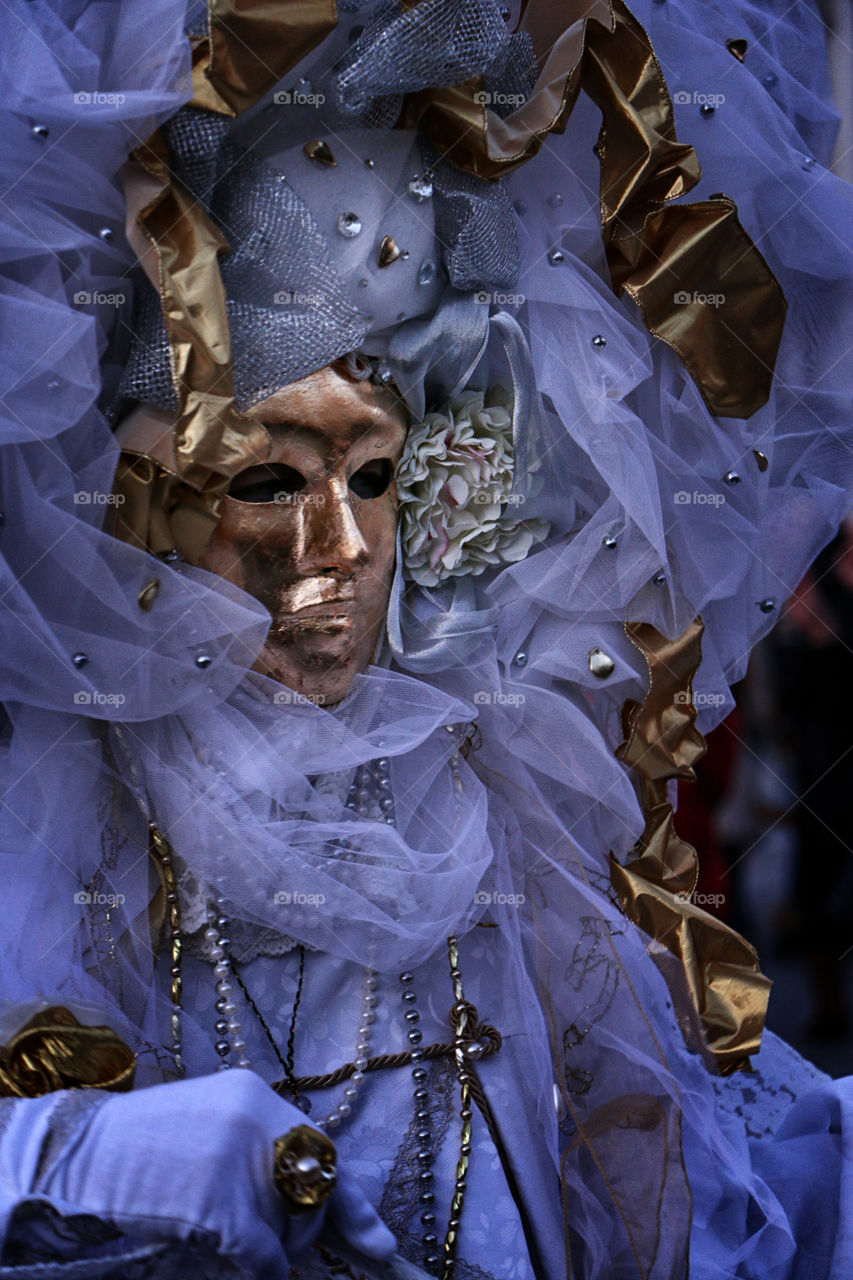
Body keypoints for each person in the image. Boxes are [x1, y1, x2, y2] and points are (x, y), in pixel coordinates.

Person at [0, 2, 851, 1278]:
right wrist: (76, 1155)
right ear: (153, 502)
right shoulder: (62, 827)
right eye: (269, 483)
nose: (341, 545)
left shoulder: (484, 805)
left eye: (379, 473)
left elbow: (676, 1156)